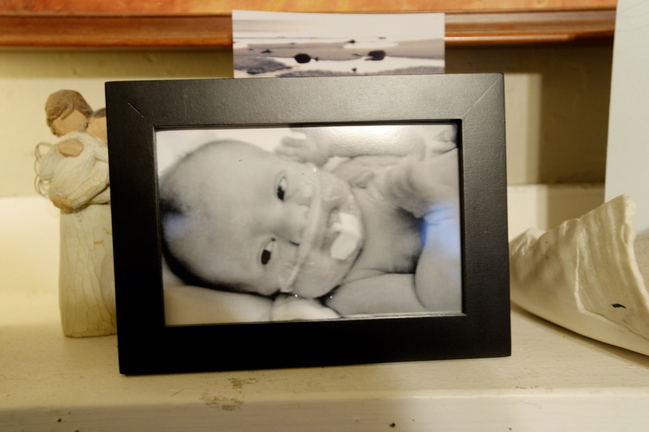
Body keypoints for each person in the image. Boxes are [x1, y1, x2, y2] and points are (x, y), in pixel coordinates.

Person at [159, 126, 461, 318]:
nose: (297, 224)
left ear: (300, 165)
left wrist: (332, 145)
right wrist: (442, 214)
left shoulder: (355, 171)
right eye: (267, 252)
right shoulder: (351, 291)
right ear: (265, 292)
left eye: (281, 190)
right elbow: (434, 300)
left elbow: (410, 142)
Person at [35, 90, 115, 336]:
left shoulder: (97, 143)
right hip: (74, 222)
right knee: (80, 274)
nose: (64, 125)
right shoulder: (64, 145)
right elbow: (46, 175)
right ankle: (84, 322)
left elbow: (112, 172)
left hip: (98, 219)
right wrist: (59, 152)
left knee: (103, 271)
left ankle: (109, 319)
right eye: (58, 120)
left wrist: (77, 199)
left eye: (69, 115)